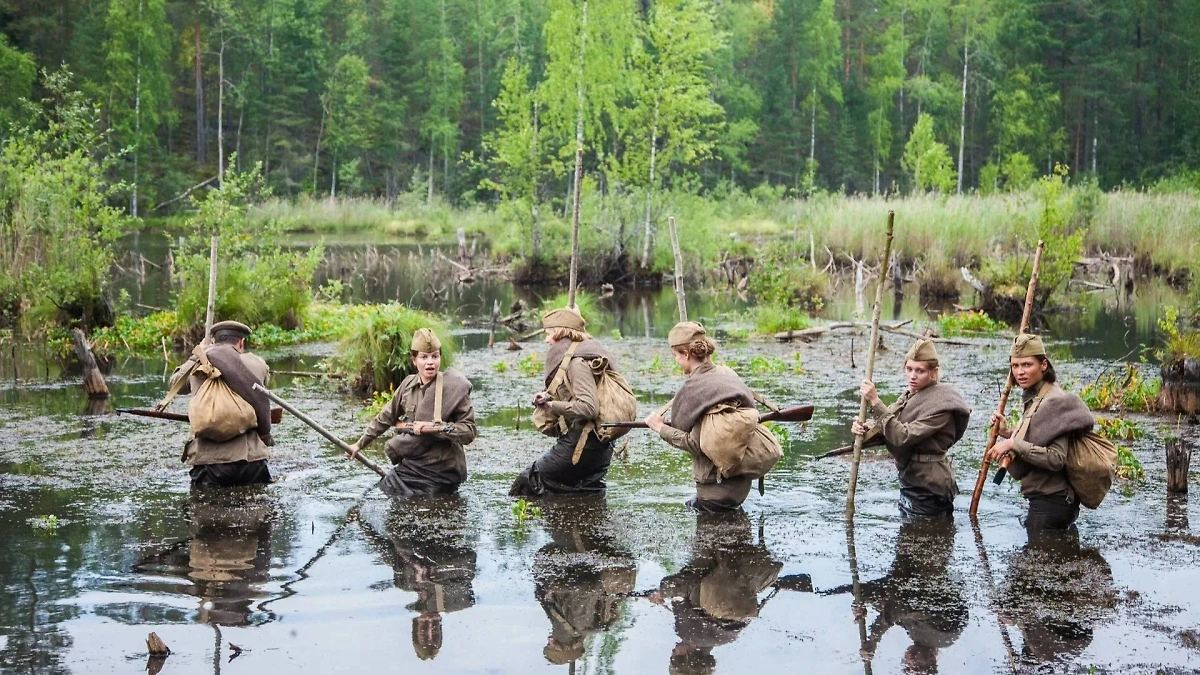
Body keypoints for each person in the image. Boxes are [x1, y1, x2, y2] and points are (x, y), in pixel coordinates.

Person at [822, 519, 968, 674]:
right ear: (932, 661)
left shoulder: (920, 635)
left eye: (906, 665)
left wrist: (863, 602)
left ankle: (820, 589)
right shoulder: (941, 636)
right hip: (928, 541)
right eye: (917, 665)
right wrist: (873, 640)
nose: (910, 659)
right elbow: (900, 607)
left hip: (916, 551)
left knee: (845, 590)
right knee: (922, 509)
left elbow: (899, 610)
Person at [985, 334, 1094, 536]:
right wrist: (1007, 432)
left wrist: (1012, 444)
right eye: (1015, 366)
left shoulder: (1054, 402)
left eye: (1027, 365)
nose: (1020, 372)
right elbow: (1039, 436)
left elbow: (1056, 459)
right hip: (1046, 500)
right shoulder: (1036, 396)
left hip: (1053, 502)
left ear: (1043, 365)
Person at [347, 328, 476, 497]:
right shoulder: (407, 385)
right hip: (414, 466)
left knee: (424, 507)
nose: (430, 362)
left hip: (443, 471)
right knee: (380, 493)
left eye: (435, 356)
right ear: (414, 360)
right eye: (424, 357)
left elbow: (469, 431)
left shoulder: (455, 387)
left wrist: (438, 428)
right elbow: (385, 417)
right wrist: (358, 445)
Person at [650, 512, 783, 675]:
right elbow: (680, 586)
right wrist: (662, 593)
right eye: (673, 658)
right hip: (712, 533)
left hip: (743, 543)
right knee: (711, 499)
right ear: (685, 658)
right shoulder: (687, 633)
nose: (672, 651)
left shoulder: (729, 636)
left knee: (733, 501)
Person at [645, 322, 758, 512]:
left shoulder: (695, 389)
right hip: (740, 487)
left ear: (687, 354)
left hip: (715, 490)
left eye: (675, 356)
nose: (676, 361)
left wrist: (659, 428)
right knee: (692, 506)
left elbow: (694, 443)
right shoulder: (728, 375)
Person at [853, 338, 971, 519]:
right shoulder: (911, 394)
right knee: (907, 540)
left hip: (930, 486)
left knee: (929, 540)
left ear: (934, 372)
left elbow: (902, 435)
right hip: (910, 478)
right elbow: (890, 425)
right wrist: (865, 429)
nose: (912, 376)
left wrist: (876, 401)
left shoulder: (942, 405)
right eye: (909, 369)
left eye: (920, 371)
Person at [510, 307, 620, 496]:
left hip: (581, 446)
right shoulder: (589, 353)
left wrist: (553, 406)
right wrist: (548, 397)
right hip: (600, 449)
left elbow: (589, 408)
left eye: (549, 333)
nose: (546, 339)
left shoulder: (577, 363)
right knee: (582, 493)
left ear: (561, 333)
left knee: (528, 482)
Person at [358, 496, 478, 661]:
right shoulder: (459, 601)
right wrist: (437, 570)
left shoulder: (404, 584)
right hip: (445, 509)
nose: (430, 626)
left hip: (407, 508)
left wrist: (359, 522)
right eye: (434, 633)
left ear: (415, 625)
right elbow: (469, 559)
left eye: (424, 631)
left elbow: (387, 551)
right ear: (441, 630)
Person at [168, 320, 274, 488]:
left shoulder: (197, 365)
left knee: (205, 511)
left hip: (207, 463)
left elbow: (174, 385)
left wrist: (198, 354)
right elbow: (264, 384)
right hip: (251, 461)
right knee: (256, 509)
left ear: (214, 341)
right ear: (241, 342)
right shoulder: (256, 364)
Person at [533, 496, 636, 667]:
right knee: (575, 506)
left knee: (587, 507)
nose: (549, 639)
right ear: (560, 645)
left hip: (593, 558)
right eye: (550, 644)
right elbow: (589, 588)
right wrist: (556, 587)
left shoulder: (578, 625)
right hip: (587, 554)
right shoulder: (579, 623)